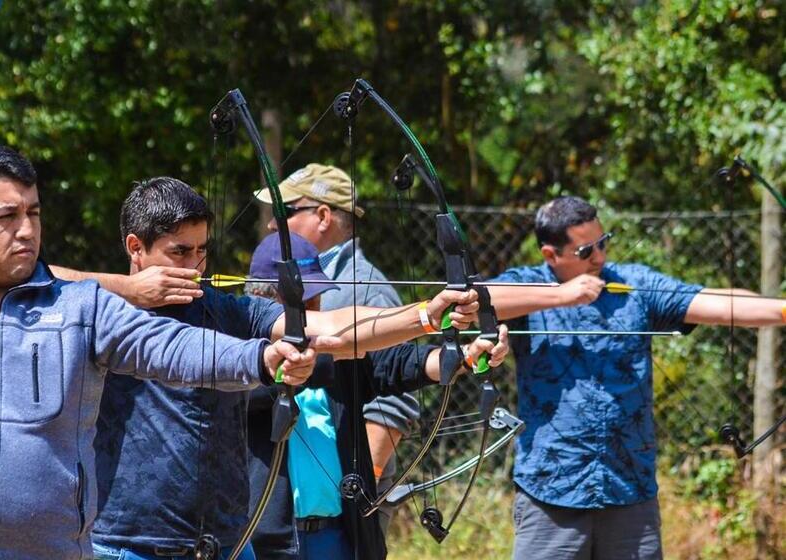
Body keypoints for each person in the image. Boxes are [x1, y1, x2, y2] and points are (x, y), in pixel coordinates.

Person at [50, 177, 481, 560]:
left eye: (201, 251)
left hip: (226, 541)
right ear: (135, 249)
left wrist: (424, 313)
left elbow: (327, 327)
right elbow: (28, 276)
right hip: (131, 542)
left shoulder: (223, 309)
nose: (194, 267)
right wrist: (128, 289)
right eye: (178, 252)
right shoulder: (100, 311)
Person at [0, 141, 321, 560]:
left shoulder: (79, 307)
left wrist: (259, 358)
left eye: (34, 213)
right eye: (7, 216)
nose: (27, 229)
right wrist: (131, 287)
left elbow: (172, 347)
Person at [485, 196, 786, 560]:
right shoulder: (527, 285)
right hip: (551, 490)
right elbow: (473, 303)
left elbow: (719, 303)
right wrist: (559, 297)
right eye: (585, 251)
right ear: (551, 255)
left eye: (603, 242)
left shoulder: (633, 285)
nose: (599, 257)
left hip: (629, 490)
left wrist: (782, 310)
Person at [245, 232, 509, 560]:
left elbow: (397, 363)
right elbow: (258, 391)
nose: (315, 309)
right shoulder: (239, 365)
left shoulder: (336, 359)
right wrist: (314, 358)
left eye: (316, 299)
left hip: (339, 536)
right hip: (265, 543)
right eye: (302, 304)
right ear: (264, 304)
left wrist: (466, 356)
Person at [256, 163, 419, 533]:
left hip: (343, 512)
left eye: (285, 212)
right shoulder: (299, 276)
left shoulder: (365, 289)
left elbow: (391, 406)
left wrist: (355, 491)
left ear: (323, 216)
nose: (271, 224)